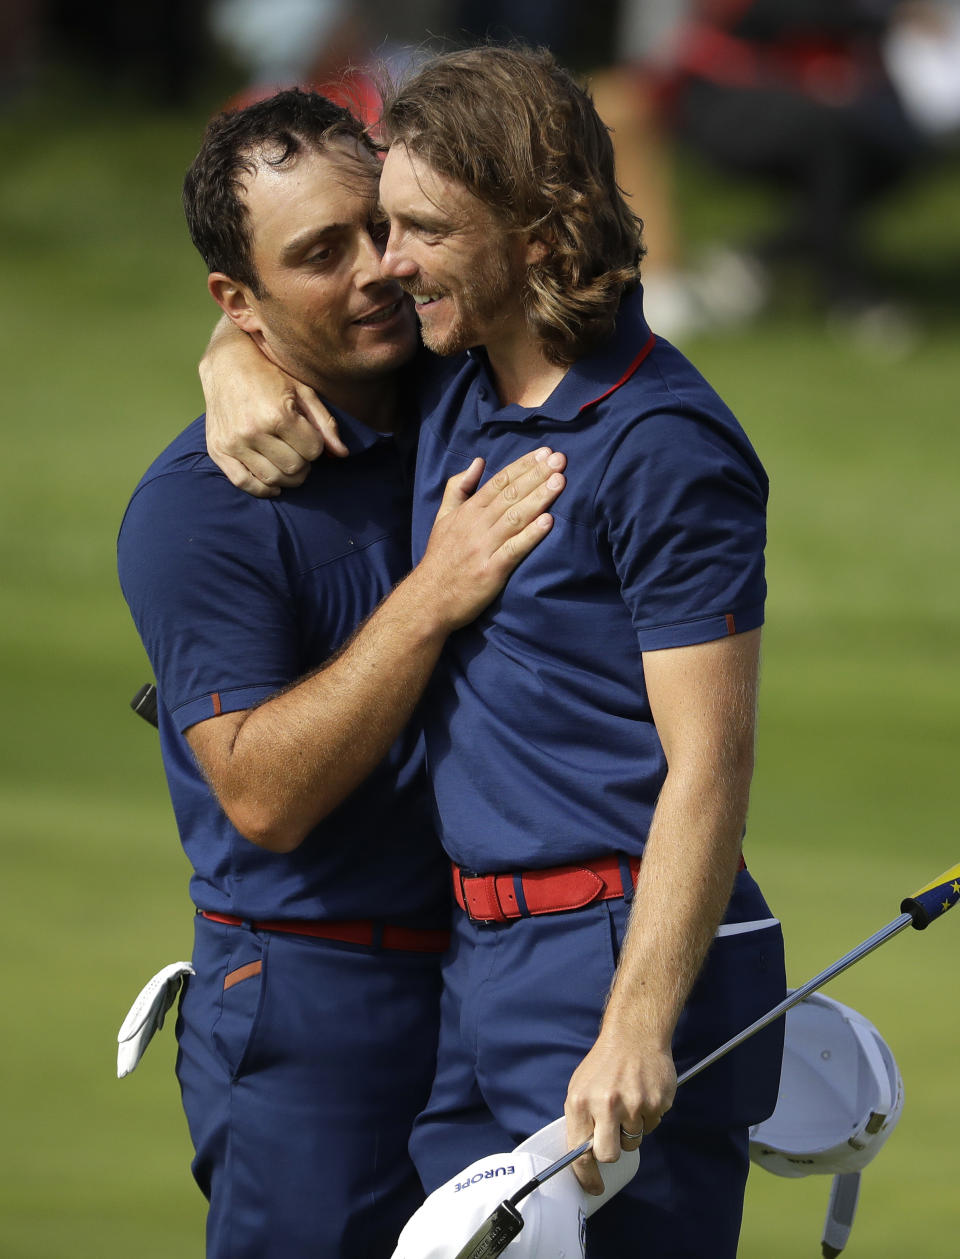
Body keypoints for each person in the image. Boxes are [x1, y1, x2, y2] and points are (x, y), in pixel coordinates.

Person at [200, 47, 788, 1259]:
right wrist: (232, 358)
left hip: (618, 962)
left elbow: (712, 765)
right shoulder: (458, 373)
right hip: (483, 969)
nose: (388, 263)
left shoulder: (666, 444)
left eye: (421, 227)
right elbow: (308, 325)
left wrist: (635, 1024)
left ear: (534, 231)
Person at [117, 88, 566, 1259]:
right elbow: (262, 793)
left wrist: (234, 352)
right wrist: (432, 594)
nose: (378, 269)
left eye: (384, 226)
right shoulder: (196, 514)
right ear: (239, 297)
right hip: (314, 1007)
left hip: (497, 988)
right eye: (318, 254)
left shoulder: (461, 384)